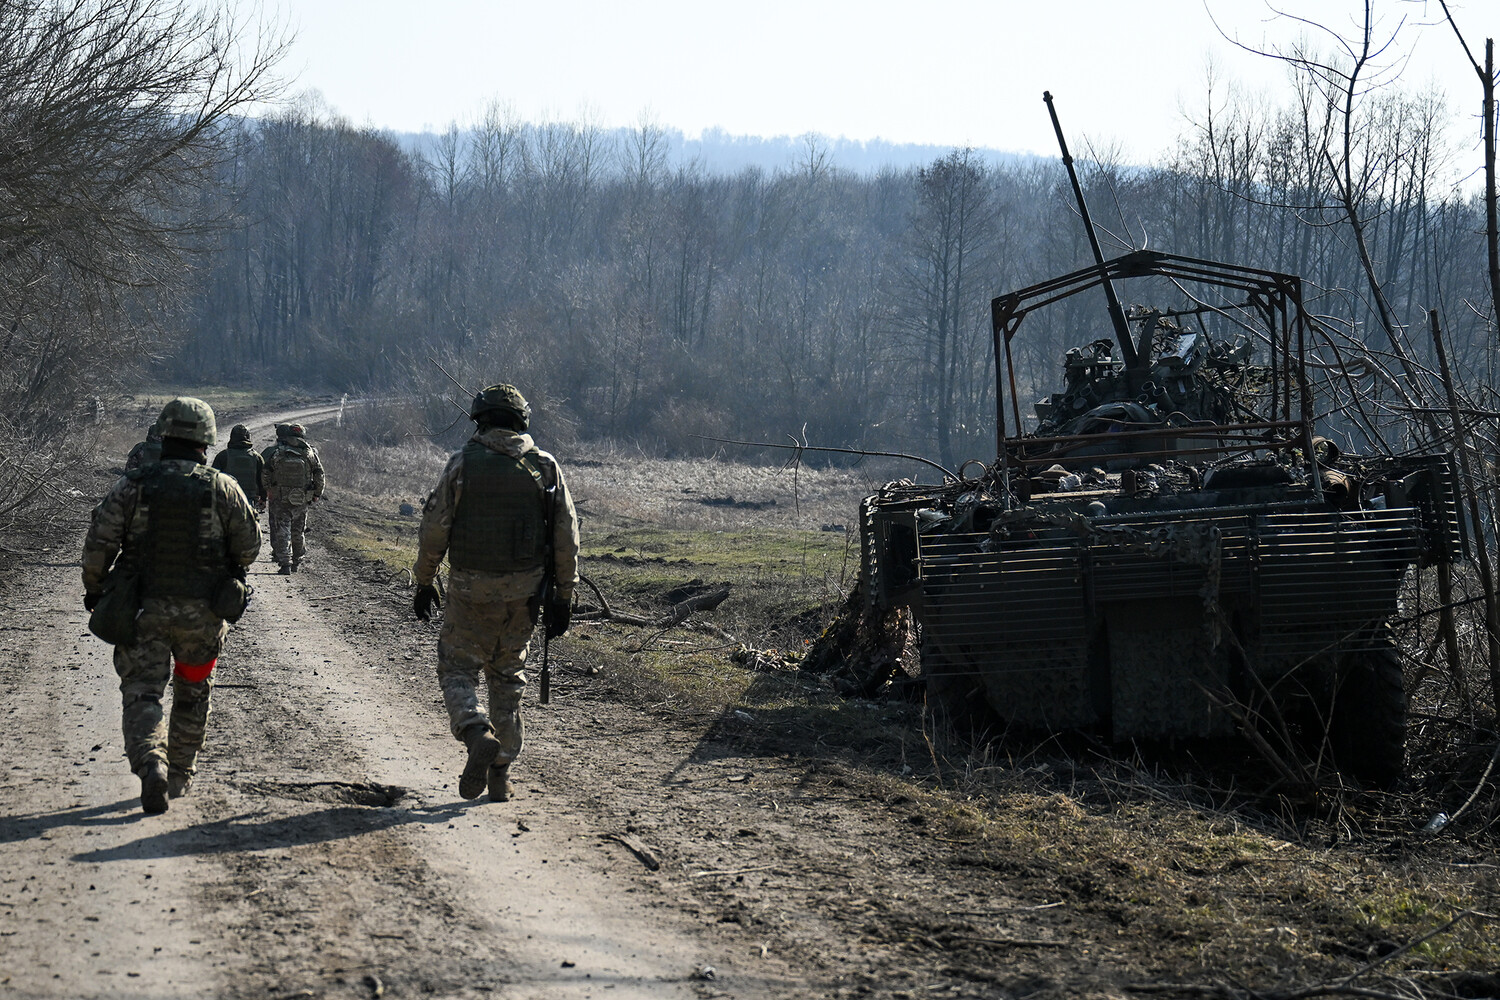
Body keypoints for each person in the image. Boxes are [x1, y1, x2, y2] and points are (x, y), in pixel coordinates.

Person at [82, 397, 261, 814]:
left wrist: (95, 589)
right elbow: (250, 548)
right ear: (206, 439)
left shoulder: (134, 484)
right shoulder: (223, 487)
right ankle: (179, 774)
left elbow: (99, 542)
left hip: (142, 612)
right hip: (202, 619)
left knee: (143, 691)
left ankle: (151, 766)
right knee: (193, 692)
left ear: (165, 434)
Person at [411, 384, 579, 802]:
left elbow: (435, 528)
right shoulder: (545, 467)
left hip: (470, 590)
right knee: (507, 677)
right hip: (525, 595)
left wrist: (424, 580)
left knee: (457, 668)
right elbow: (566, 536)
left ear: (480, 421)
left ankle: (474, 729)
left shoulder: (462, 464)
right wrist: (563, 596)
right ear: (522, 420)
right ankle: (501, 772)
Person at [261, 422, 325, 574]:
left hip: (280, 498)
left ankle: (285, 564)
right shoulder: (309, 454)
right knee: (298, 531)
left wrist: (268, 489)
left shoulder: (278, 452)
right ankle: (297, 561)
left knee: (282, 530)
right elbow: (319, 474)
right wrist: (317, 494)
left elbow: (266, 473)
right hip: (302, 499)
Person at [211, 424, 267, 510]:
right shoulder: (256, 457)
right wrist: (263, 498)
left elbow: (213, 479)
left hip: (226, 499)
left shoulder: (223, 456)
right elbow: (262, 481)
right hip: (249, 500)